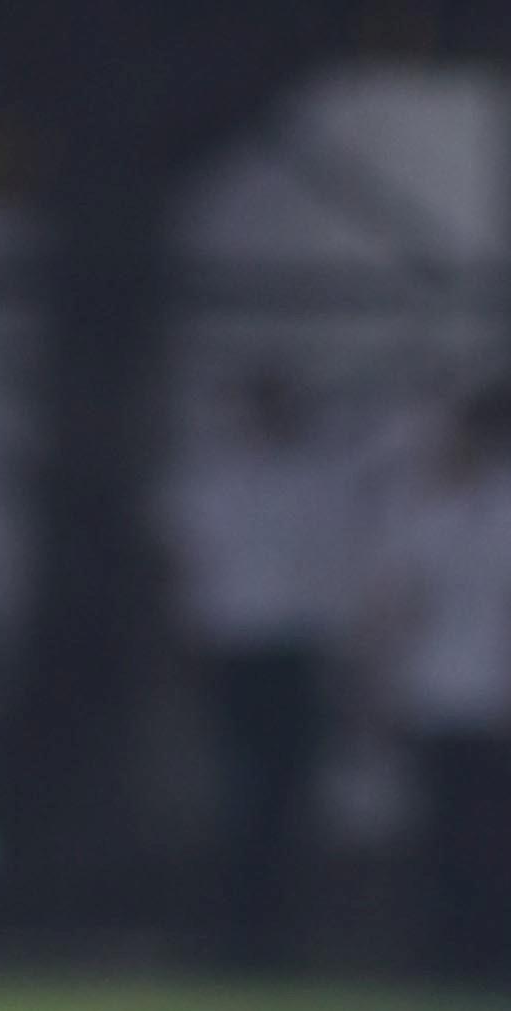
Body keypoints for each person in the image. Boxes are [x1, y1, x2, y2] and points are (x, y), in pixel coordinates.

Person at [373, 377, 511, 991]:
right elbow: (400, 604)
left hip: (497, 690)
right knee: (441, 834)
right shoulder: (421, 510)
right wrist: (386, 680)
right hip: (436, 691)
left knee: (502, 838)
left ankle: (504, 955)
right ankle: (447, 952)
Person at [161, 368, 344, 972]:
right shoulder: (213, 482)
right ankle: (233, 927)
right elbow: (188, 570)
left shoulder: (314, 483)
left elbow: (329, 574)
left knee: (286, 795)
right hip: (234, 649)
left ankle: (282, 928)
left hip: (292, 648)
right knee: (236, 794)